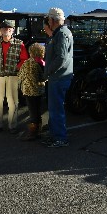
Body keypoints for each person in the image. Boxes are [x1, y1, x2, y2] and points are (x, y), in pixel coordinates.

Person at [0, 20, 28, 134]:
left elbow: (24, 59)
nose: (7, 30)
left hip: (12, 76)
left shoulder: (19, 43)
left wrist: (18, 68)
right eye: (4, 28)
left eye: (9, 28)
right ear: (1, 30)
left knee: (13, 101)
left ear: (13, 30)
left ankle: (12, 126)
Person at [41, 8, 73, 148]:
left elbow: (61, 58)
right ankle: (55, 135)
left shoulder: (61, 34)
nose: (48, 22)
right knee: (53, 108)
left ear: (52, 20)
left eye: (49, 20)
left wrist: (48, 71)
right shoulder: (59, 33)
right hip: (57, 76)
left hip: (59, 77)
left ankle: (60, 138)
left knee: (56, 109)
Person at [17, 43, 46, 141]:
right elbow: (43, 77)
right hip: (38, 90)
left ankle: (32, 132)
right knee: (37, 111)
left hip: (28, 91)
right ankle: (38, 130)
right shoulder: (41, 63)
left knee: (32, 112)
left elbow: (20, 75)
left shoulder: (26, 62)